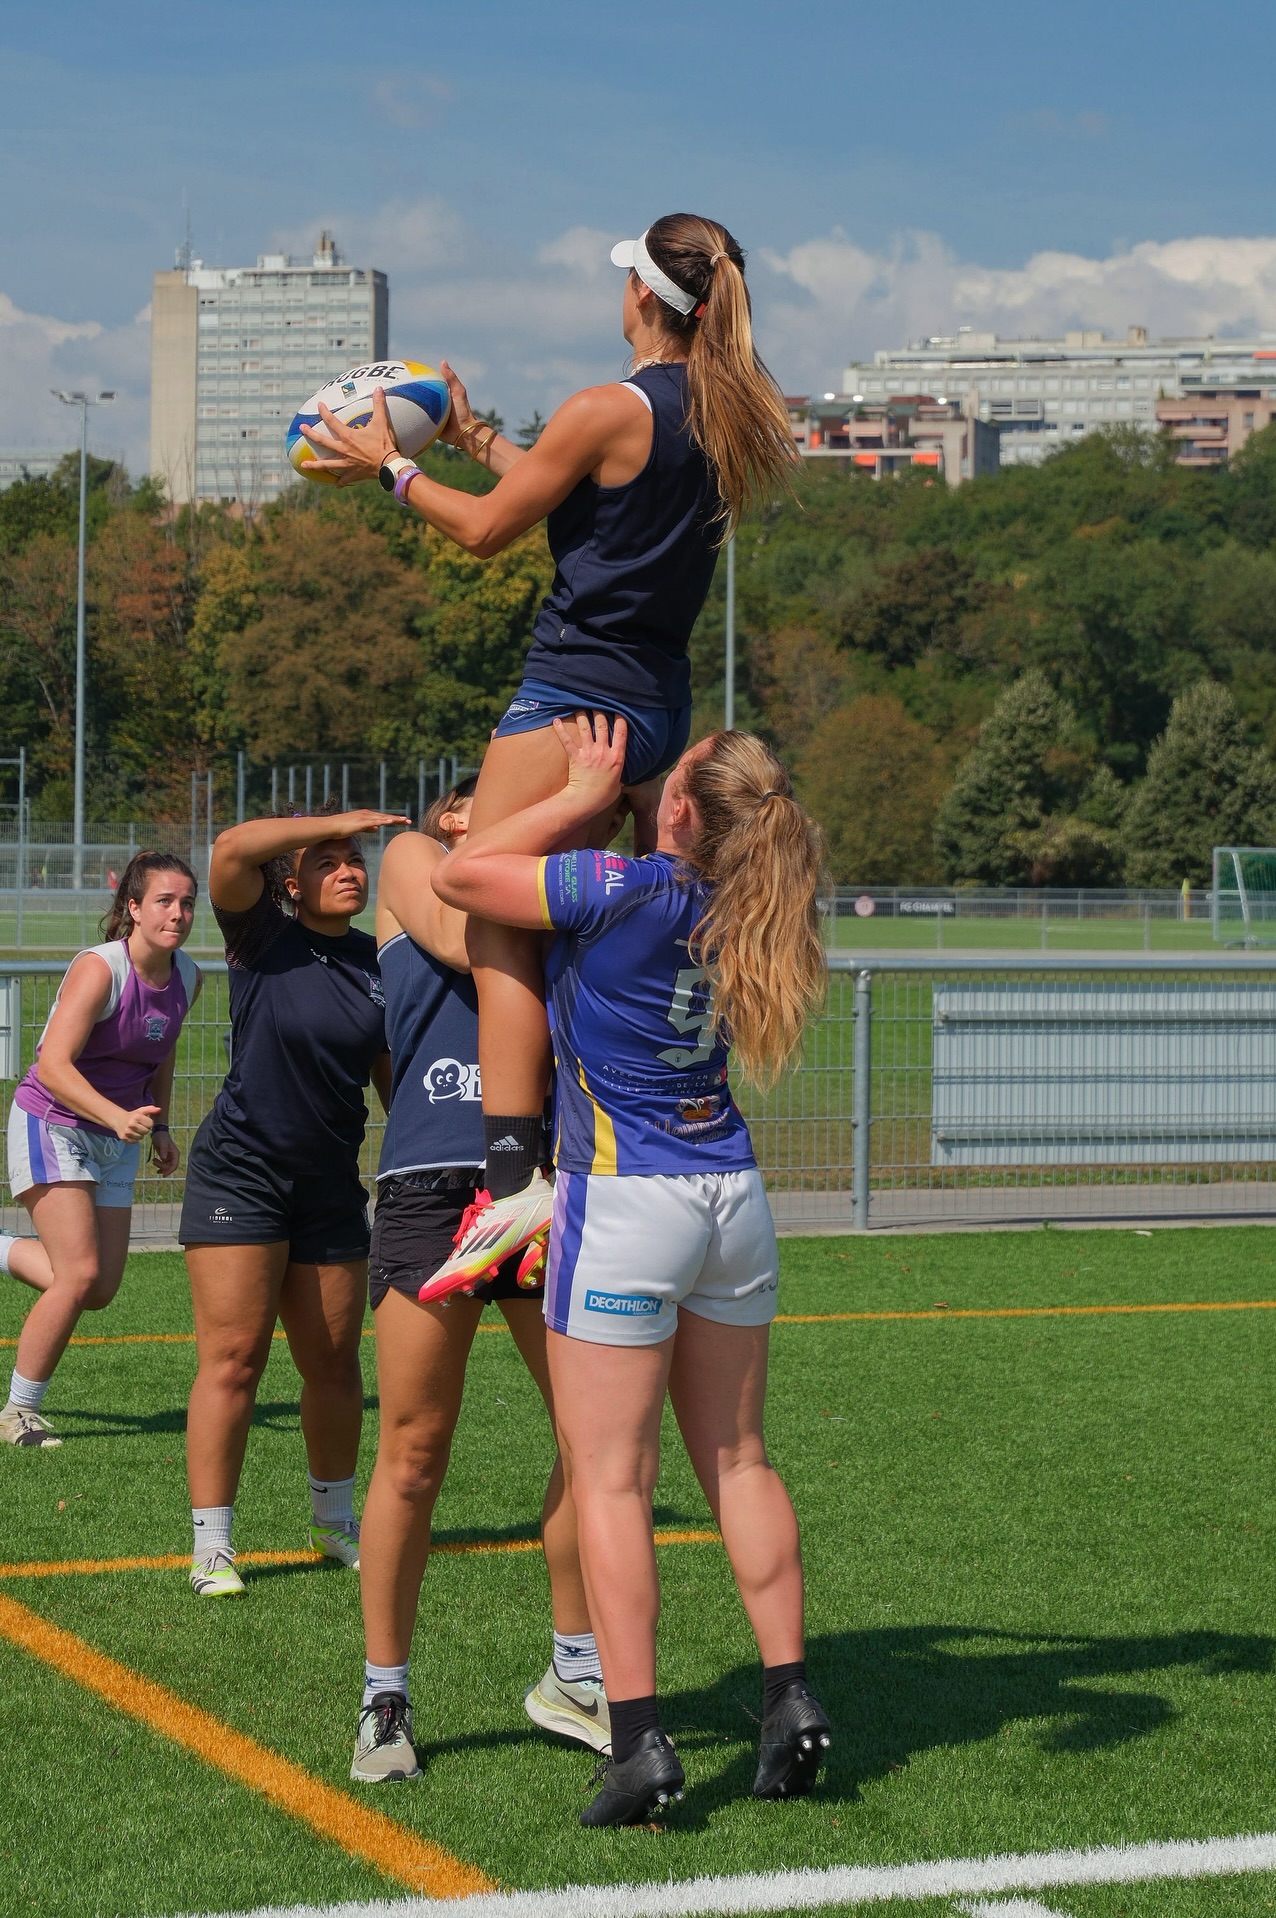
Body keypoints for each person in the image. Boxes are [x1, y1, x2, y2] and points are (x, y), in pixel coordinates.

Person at [300, 212, 798, 1285]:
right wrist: (476, 442)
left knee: (495, 917)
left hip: (576, 693)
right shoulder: (717, 412)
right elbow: (573, 506)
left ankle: (516, 1173)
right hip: (659, 703)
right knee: (617, 912)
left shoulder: (602, 407)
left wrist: (392, 464)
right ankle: (605, 1129)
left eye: (625, 276)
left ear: (643, 302)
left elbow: (487, 533)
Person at [425, 715, 833, 1826]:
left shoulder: (623, 884)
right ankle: (790, 1699)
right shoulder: (744, 898)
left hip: (626, 1195)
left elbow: (461, 873)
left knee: (610, 1478)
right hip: (731, 1194)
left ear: (681, 809)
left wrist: (575, 791)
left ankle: (640, 1741)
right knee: (741, 1459)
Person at [351, 777, 609, 1782]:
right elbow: (471, 938)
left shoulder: (559, 881)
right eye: (482, 796)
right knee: (414, 1453)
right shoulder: (416, 857)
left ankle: (576, 1670)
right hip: (433, 1185)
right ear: (452, 814)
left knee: (596, 1442)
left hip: (544, 1183)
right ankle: (386, 1694)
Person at [179, 805, 405, 1598]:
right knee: (234, 1362)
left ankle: (333, 1523)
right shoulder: (261, 938)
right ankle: (213, 1544)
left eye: (356, 859)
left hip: (330, 1187)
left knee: (336, 1366)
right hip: (240, 1174)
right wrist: (341, 817)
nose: (351, 869)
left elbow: (390, 1080)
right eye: (329, 860)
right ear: (292, 882)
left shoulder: (381, 962)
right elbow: (232, 847)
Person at [2, 854, 201, 1448]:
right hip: (53, 1124)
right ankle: (18, 1411)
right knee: (78, 1273)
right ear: (133, 908)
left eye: (188, 902)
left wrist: (160, 1127)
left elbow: (160, 1050)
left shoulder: (189, 975)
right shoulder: (100, 970)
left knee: (100, 1289)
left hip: (118, 1138)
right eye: (164, 901)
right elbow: (51, 1066)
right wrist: (117, 1117)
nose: (178, 913)